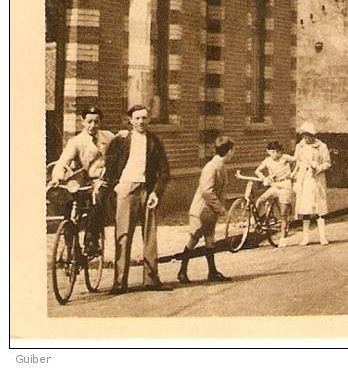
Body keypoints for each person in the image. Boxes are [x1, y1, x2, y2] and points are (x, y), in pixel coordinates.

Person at [104, 105, 171, 293]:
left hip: (147, 191)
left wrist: (156, 192)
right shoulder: (121, 140)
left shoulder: (154, 141)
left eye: (145, 118)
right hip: (126, 189)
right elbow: (109, 165)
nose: (141, 122)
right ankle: (119, 282)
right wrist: (116, 186)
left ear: (149, 120)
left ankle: (151, 280)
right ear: (130, 121)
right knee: (123, 235)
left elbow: (164, 171)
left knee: (150, 236)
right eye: (137, 118)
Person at [48, 106, 116, 252]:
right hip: (82, 182)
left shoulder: (108, 137)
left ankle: (92, 239)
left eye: (96, 122)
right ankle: (72, 250)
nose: (93, 126)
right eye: (89, 121)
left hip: (100, 180)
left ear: (100, 123)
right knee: (69, 210)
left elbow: (120, 146)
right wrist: (57, 177)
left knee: (98, 201)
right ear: (83, 122)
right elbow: (63, 161)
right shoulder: (76, 142)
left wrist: (124, 135)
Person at [177, 138, 234, 284]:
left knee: (210, 240)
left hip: (209, 211)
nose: (233, 153)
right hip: (201, 210)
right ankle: (182, 271)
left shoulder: (221, 165)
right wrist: (221, 209)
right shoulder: (211, 167)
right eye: (232, 150)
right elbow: (207, 192)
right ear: (228, 151)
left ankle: (212, 272)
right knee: (194, 238)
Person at [292, 122, 331, 246]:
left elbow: (327, 163)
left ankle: (323, 237)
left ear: (313, 135)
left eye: (308, 135)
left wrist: (318, 168)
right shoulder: (300, 147)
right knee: (305, 209)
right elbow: (296, 162)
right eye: (303, 135)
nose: (305, 138)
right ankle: (306, 237)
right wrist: (294, 175)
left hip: (317, 180)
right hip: (304, 180)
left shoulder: (321, 146)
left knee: (319, 208)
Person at [254, 141, 296, 244]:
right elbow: (257, 171)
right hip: (274, 185)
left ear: (280, 152)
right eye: (272, 152)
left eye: (277, 152)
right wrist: (264, 178)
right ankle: (260, 222)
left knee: (283, 213)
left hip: (285, 185)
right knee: (259, 201)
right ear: (268, 151)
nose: (275, 154)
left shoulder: (285, 158)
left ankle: (282, 238)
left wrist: (293, 173)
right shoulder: (267, 161)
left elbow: (297, 160)